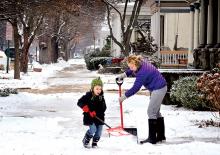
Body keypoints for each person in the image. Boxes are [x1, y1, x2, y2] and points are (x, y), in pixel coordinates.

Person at [117, 55, 167, 144]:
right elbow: (133, 70)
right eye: (129, 67)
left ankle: (152, 139)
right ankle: (160, 136)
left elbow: (136, 88)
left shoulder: (142, 73)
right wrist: (124, 75)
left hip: (158, 89)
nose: (131, 69)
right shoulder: (140, 63)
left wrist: (124, 96)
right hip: (159, 87)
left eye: (131, 67)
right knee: (156, 112)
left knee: (151, 112)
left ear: (135, 63)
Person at [77, 77, 107, 148]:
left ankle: (94, 143)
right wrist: (84, 107)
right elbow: (79, 102)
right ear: (92, 88)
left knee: (99, 132)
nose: (99, 90)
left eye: (100, 89)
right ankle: (86, 140)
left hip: (99, 117)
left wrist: (97, 112)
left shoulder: (101, 98)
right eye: (97, 88)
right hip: (89, 117)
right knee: (93, 129)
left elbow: (104, 108)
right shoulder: (88, 96)